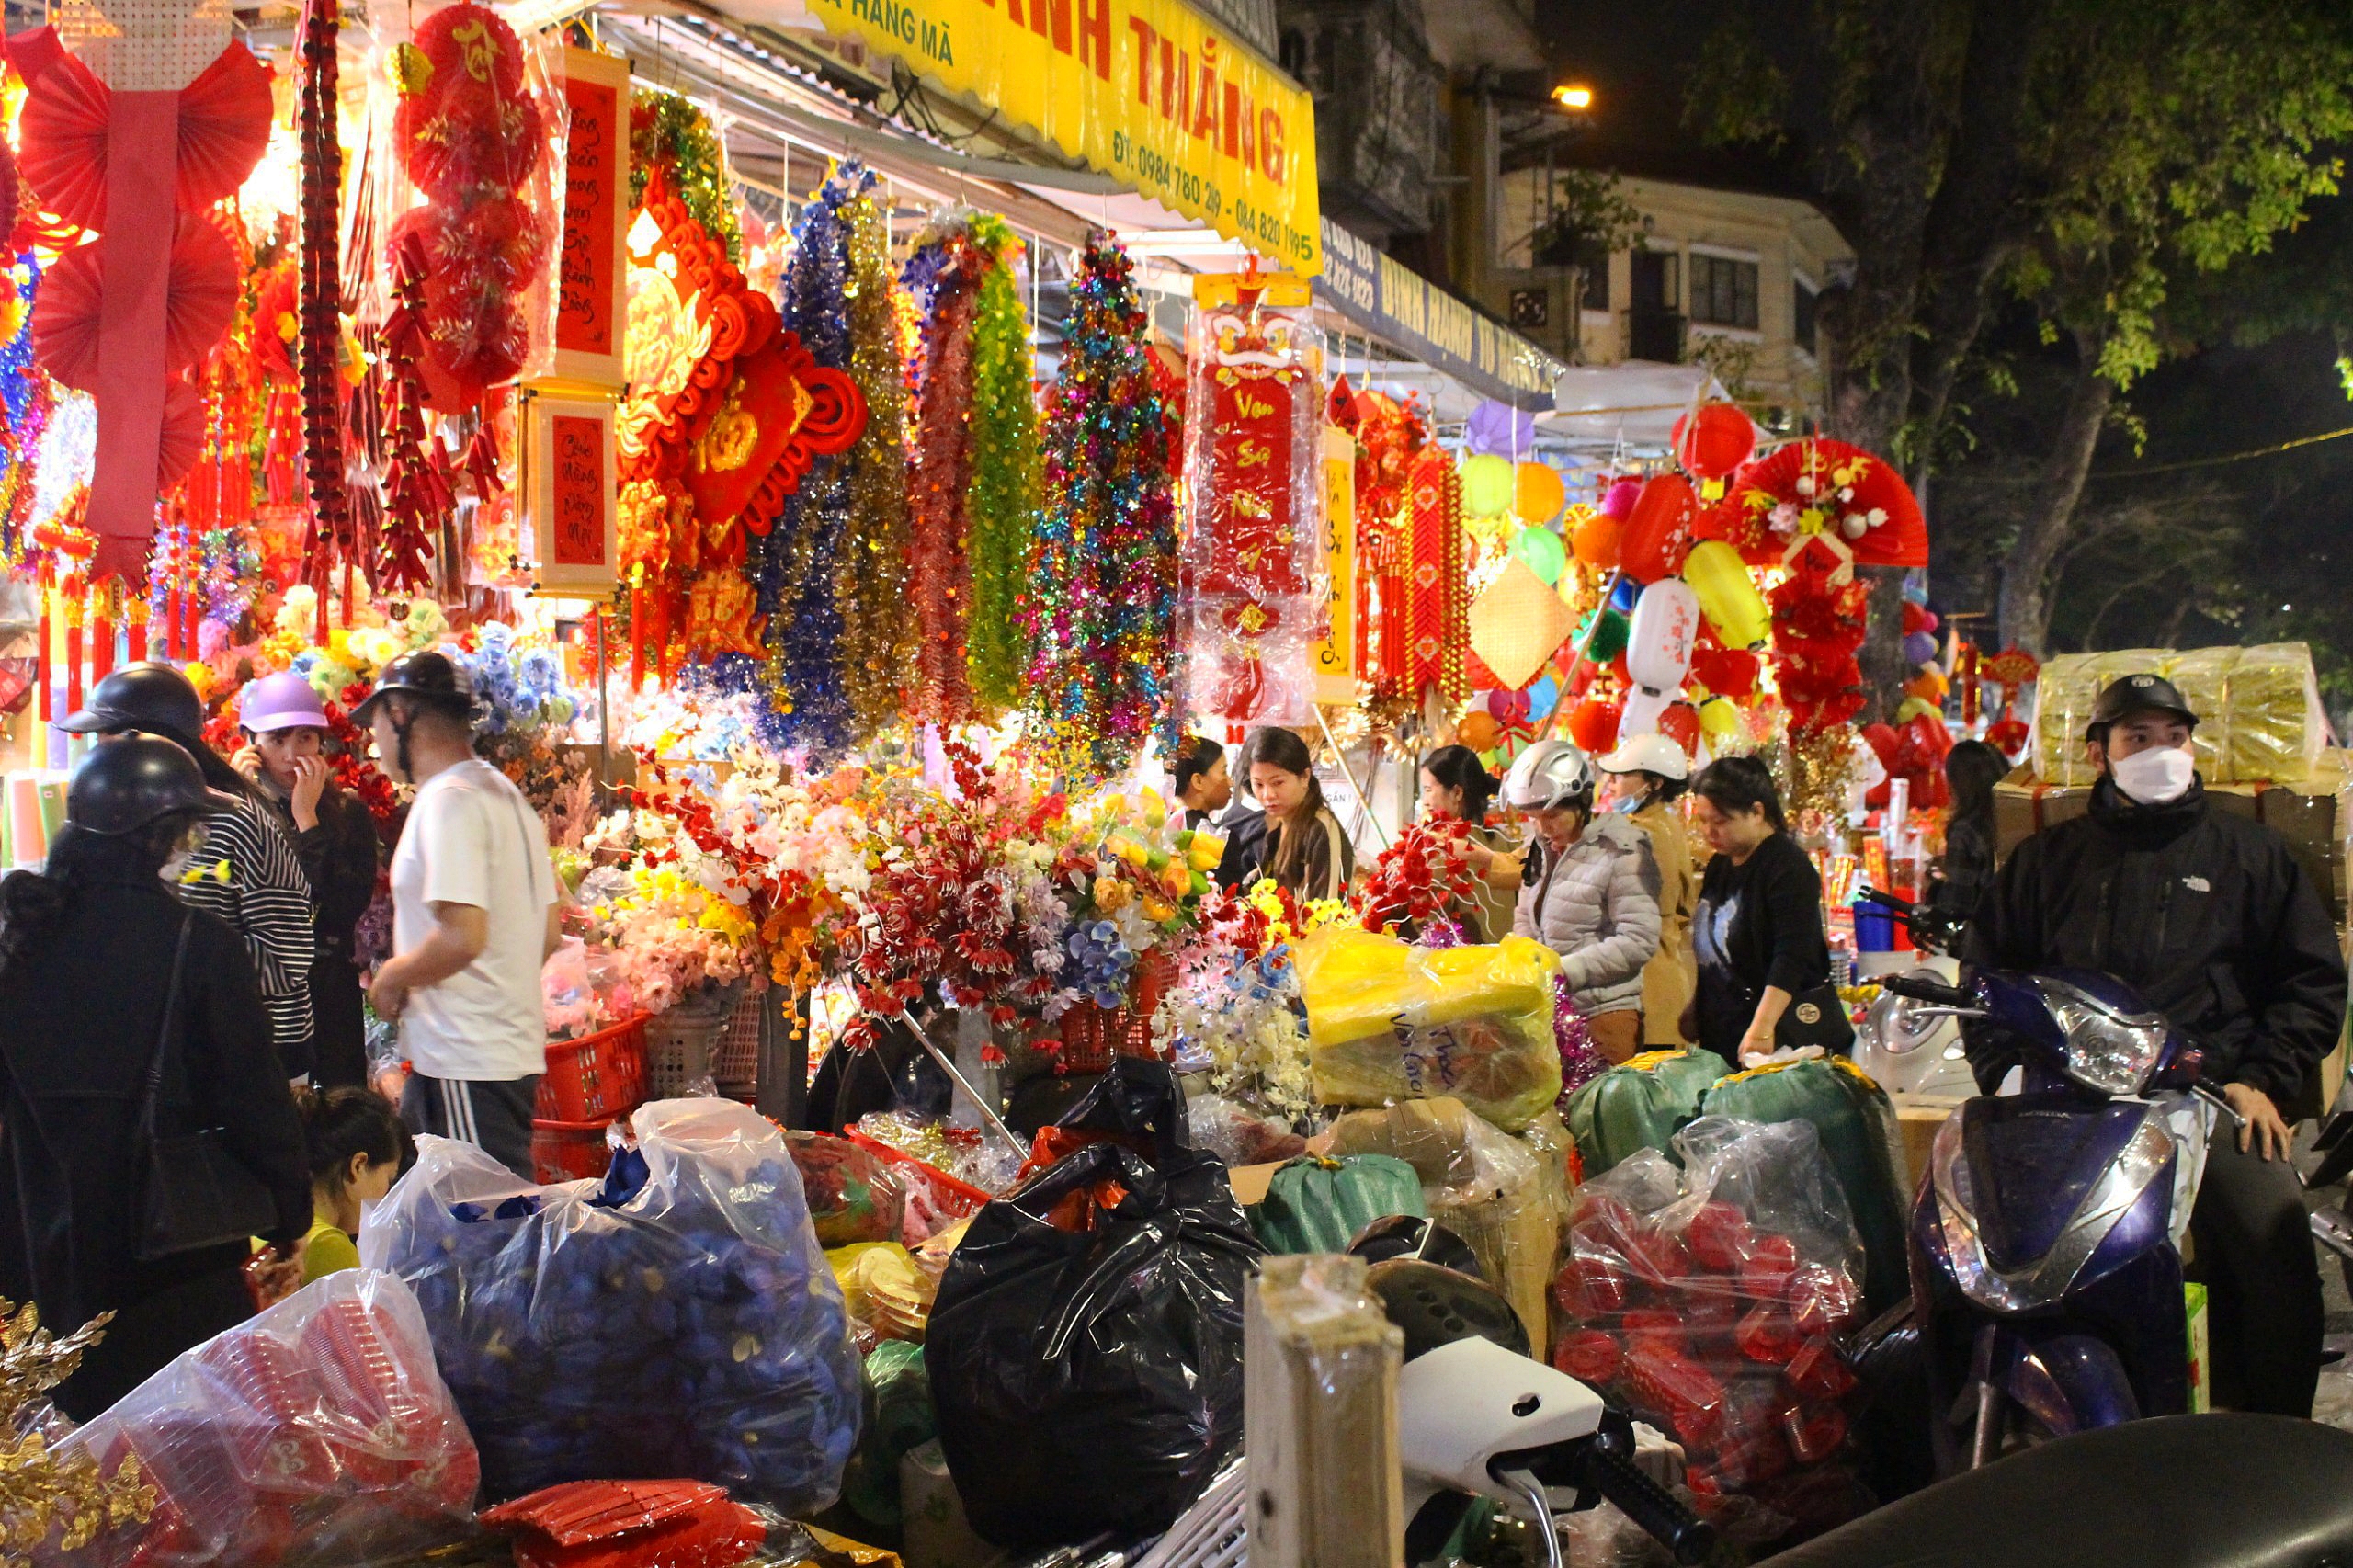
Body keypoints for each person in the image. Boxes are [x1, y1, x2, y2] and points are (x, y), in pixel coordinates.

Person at [1968, 674, 2344, 1417]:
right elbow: (1988, 976)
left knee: (2275, 1249)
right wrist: (2005, 1070)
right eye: (2138, 738)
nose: (2160, 753)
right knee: (1997, 1248)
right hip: (2071, 1103)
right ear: (2099, 752)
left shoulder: (2252, 856)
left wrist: (2261, 1078)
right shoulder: (2047, 863)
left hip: (2214, 1091)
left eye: (2174, 737)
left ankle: (2276, 1444)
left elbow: (2312, 983)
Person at [0, 739, 309, 1419]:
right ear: (168, 837)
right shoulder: (198, 944)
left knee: (55, 1463)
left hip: (34, 1248)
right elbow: (255, 1100)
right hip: (170, 1258)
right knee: (167, 1460)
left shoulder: (20, 932)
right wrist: (290, 1211)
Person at [60, 664, 317, 1081]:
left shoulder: (239, 820)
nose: (99, 751)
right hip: (172, 1053)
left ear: (154, 740)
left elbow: (287, 958)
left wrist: (175, 952)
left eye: (107, 736)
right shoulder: (123, 822)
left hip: (254, 1057)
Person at [359, 652, 562, 1180]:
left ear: (401, 714)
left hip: (466, 1058)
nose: (371, 740)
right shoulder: (503, 794)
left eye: (376, 722)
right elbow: (548, 930)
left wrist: (391, 977)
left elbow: (462, 936)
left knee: (483, 1235)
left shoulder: (449, 800)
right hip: (485, 1054)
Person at [233, 672, 382, 1089]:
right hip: (261, 993)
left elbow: (339, 910)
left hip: (329, 988)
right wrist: (233, 797)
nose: (290, 754)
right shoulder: (234, 810)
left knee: (336, 1113)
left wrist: (308, 821)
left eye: (304, 738)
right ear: (250, 742)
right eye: (276, 739)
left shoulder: (348, 812)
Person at [1506, 740, 1660, 1063]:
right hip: (1549, 1013)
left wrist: (1566, 969)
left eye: (1552, 815)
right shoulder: (1542, 849)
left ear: (1581, 802)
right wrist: (1523, 961)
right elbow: (1525, 915)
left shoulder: (1621, 850)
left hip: (1603, 1015)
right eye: (1534, 818)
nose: (1542, 828)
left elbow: (1639, 939)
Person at [1687, 756, 1836, 1068]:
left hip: (1774, 1039)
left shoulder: (1787, 868)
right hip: (1723, 1033)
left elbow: (1791, 956)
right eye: (1703, 821)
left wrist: (1763, 1026)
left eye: (1720, 821)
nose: (1709, 832)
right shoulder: (1720, 865)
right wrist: (1695, 1009)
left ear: (1756, 812)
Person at [1598, 734, 1699, 1048]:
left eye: (1624, 775)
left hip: (1647, 985)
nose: (1613, 783)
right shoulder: (1666, 825)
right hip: (1667, 974)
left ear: (1654, 784)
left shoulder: (1639, 834)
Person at [295, 1086, 410, 1288]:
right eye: (388, 1179)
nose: (385, 1195)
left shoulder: (268, 1227)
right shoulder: (329, 1246)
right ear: (358, 1166)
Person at [1418, 743, 1521, 942]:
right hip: (1502, 961)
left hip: (1464, 966)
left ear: (1457, 793)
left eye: (1429, 789)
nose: (1425, 800)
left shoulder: (1446, 848)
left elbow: (1424, 919)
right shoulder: (1501, 839)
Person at [1246, 727, 1353, 902]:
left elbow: (1330, 910)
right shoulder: (1277, 825)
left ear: (1304, 777)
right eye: (1258, 785)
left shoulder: (1321, 829)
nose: (1267, 795)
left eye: (1278, 782)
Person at [1928, 737, 2007, 936]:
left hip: (1982, 940)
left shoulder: (1966, 831)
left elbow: (1956, 905)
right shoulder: (2009, 819)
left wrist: (1934, 889)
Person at [1173, 734, 1231, 829]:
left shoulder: (1163, 828)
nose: (1230, 782)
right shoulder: (1215, 838)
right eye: (1223, 772)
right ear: (1198, 781)